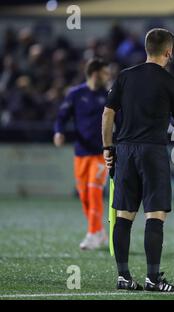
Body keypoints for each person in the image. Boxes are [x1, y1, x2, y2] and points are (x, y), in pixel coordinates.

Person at [102, 28, 174, 292]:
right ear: (169, 51)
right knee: (155, 215)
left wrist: (108, 147)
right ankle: (153, 279)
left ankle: (123, 277)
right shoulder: (170, 82)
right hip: (153, 151)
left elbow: (108, 114)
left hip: (125, 150)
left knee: (124, 215)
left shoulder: (124, 76)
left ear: (146, 49)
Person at [54, 58, 110, 250]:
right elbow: (62, 116)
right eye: (105, 72)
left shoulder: (108, 94)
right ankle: (99, 231)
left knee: (94, 192)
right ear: (95, 73)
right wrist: (58, 131)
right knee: (84, 195)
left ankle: (92, 234)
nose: (108, 76)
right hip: (81, 152)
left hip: (101, 153)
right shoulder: (76, 94)